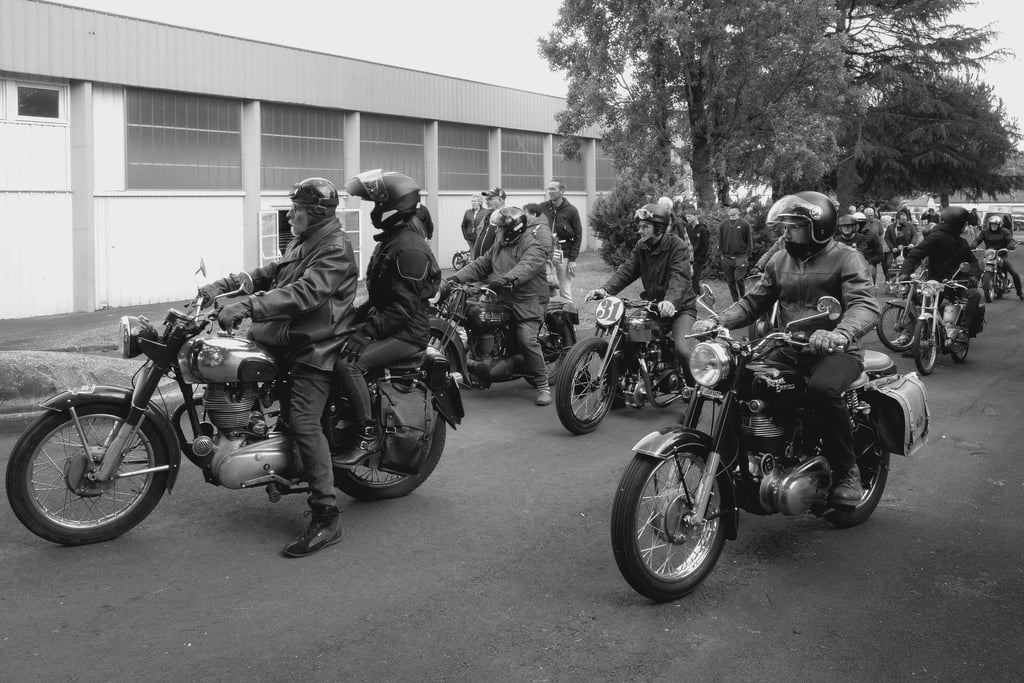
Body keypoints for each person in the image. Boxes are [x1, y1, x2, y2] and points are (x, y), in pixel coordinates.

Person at [198, 177, 358, 558]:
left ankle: (326, 515)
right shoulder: (307, 239)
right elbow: (274, 272)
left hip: (315, 345)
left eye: (297, 210)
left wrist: (250, 305)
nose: (291, 217)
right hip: (285, 337)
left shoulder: (334, 247)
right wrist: (227, 284)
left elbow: (305, 292)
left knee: (303, 420)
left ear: (315, 212)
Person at [692, 191, 881, 504]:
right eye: (785, 225)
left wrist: (840, 334)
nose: (786, 232)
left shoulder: (847, 258)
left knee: (822, 389)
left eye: (794, 225)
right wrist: (719, 320)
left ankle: (848, 471)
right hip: (790, 344)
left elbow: (863, 304)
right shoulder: (781, 259)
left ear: (818, 228)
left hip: (837, 352)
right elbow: (753, 302)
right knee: (741, 377)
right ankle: (744, 459)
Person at [335, 169, 441, 466]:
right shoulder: (394, 239)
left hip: (406, 334)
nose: (375, 211)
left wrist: (365, 332)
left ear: (393, 206)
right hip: (391, 322)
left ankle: (366, 435)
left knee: (348, 364)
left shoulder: (409, 248)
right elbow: (385, 297)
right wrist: (351, 317)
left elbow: (402, 309)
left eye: (378, 205)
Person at [447, 206, 552, 405]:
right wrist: (455, 278)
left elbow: (526, 268)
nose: (498, 231)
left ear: (514, 228)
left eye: (501, 228)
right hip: (502, 297)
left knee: (526, 339)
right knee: (476, 321)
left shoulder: (532, 246)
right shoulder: (499, 244)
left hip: (527, 301)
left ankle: (543, 384)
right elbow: (481, 264)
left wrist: (503, 281)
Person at [586, 203, 697, 371]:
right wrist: (605, 290)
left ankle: (692, 391)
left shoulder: (677, 246)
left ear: (659, 228)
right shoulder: (642, 246)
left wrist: (670, 302)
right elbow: (627, 271)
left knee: (683, 350)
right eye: (640, 226)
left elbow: (679, 278)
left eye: (646, 227)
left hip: (680, 309)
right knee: (624, 337)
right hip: (653, 307)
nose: (641, 230)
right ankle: (621, 391)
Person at [899, 206, 982, 337]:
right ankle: (912, 339)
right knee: (923, 307)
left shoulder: (962, 243)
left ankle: (964, 330)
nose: (965, 227)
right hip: (937, 284)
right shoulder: (936, 237)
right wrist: (905, 272)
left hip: (957, 282)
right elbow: (916, 253)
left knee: (974, 295)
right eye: (964, 224)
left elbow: (972, 261)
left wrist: (973, 275)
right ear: (957, 224)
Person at [541, 179, 584, 301]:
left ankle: (568, 317)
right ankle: (550, 317)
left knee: (565, 290)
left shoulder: (571, 210)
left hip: (564, 255)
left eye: (553, 189)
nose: (550, 191)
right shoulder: (542, 208)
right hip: (546, 256)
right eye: (548, 189)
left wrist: (572, 260)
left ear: (562, 191)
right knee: (547, 289)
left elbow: (578, 235)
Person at [973, 213, 1022, 301]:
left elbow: (1010, 240)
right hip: (989, 255)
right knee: (977, 270)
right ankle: (972, 293)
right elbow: (978, 239)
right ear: (989, 224)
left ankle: (1020, 292)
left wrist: (1009, 246)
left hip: (1001, 255)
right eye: (992, 224)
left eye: (995, 224)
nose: (994, 226)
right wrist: (973, 244)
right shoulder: (985, 232)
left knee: (1014, 273)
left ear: (999, 225)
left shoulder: (1004, 232)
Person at [718, 204, 751, 302]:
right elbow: (720, 241)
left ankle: (743, 299)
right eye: (729, 208)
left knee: (738, 278)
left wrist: (746, 256)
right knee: (730, 281)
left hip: (740, 257)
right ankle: (735, 302)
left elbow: (749, 241)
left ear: (738, 211)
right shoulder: (723, 225)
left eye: (731, 208)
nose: (729, 210)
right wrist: (722, 255)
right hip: (727, 257)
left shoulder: (744, 224)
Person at [523, 202, 556, 301]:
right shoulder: (530, 227)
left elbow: (546, 248)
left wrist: (532, 258)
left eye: (526, 212)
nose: (524, 215)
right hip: (531, 265)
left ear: (534, 214)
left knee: (545, 294)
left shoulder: (541, 228)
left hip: (539, 266)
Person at [472, 187, 505, 259]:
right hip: (479, 264)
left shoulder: (505, 219)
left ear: (499, 200)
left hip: (492, 266)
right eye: (486, 199)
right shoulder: (487, 217)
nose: (486, 202)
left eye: (490, 199)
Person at [683, 206, 710, 292]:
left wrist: (699, 259)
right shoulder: (687, 228)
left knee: (695, 281)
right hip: (687, 258)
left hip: (698, 260)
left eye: (689, 216)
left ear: (696, 216)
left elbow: (705, 247)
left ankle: (697, 297)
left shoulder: (703, 230)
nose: (687, 218)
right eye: (686, 216)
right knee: (686, 280)